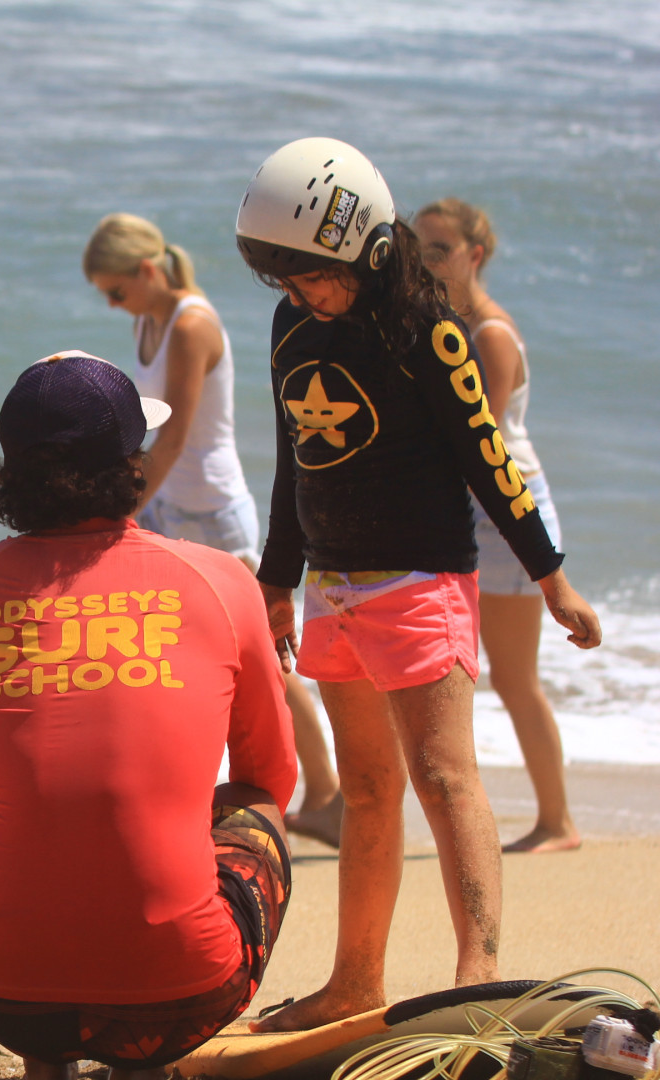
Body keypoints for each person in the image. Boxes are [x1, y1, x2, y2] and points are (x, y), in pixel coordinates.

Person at [235, 138, 602, 1033]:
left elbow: (488, 455)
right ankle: (356, 981)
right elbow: (293, 461)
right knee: (368, 789)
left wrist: (550, 576)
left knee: (443, 777)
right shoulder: (292, 327)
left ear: (361, 247)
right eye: (283, 281)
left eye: (310, 277)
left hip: (420, 579)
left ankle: (479, 977)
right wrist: (277, 581)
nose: (298, 295)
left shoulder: (428, 332)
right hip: (332, 586)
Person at [0, 351, 297, 1080]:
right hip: (184, 994)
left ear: (12, 468)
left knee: (8, 815)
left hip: (0, 995)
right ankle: (146, 1062)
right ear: (130, 464)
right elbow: (272, 775)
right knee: (253, 811)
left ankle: (45, 1065)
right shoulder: (219, 579)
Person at [84, 213, 344, 845]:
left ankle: (327, 794)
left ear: (147, 270)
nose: (114, 306)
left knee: (264, 655)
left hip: (211, 508)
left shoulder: (191, 324)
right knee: (175, 650)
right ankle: (181, 789)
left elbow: (175, 435)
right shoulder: (149, 320)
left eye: (116, 291)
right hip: (169, 504)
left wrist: (122, 507)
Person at [414, 198, 578, 852]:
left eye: (439, 250)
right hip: (472, 512)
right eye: (418, 250)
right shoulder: (446, 324)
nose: (426, 263)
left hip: (510, 513)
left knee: (513, 677)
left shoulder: (490, 334)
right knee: (458, 671)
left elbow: (476, 442)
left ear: (474, 255)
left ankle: (557, 822)